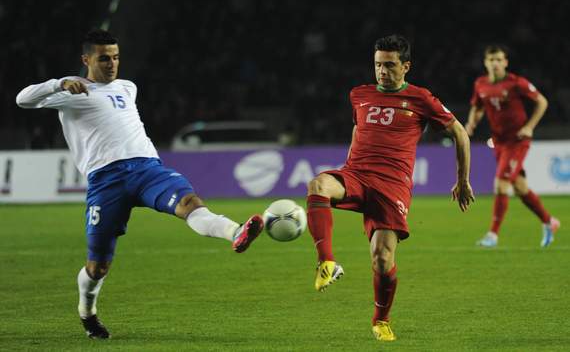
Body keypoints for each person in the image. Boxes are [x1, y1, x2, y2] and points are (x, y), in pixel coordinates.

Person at [15, 29, 264, 339]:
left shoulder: (127, 87)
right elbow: (22, 99)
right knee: (97, 268)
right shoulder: (71, 92)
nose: (112, 64)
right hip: (106, 181)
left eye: (116, 57)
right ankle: (87, 311)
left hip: (147, 168)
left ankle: (236, 232)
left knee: (189, 204)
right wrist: (58, 83)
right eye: (104, 58)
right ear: (86, 59)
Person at [305, 35, 474, 342]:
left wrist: (462, 180)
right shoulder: (359, 94)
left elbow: (460, 132)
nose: (382, 71)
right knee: (318, 185)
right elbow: (358, 128)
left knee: (382, 259)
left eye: (390, 65)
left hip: (391, 186)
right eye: (378, 65)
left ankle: (381, 320)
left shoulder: (421, 98)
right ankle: (327, 261)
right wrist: (349, 163)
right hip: (356, 174)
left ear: (405, 66)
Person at [465, 45, 560, 248]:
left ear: (506, 62)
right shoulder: (480, 84)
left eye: (499, 60)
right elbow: (478, 107)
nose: (496, 63)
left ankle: (492, 235)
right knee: (520, 187)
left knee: (500, 184)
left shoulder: (516, 83)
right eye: (492, 60)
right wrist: (471, 122)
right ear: (486, 62)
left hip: (517, 141)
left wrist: (529, 127)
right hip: (499, 142)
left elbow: (542, 102)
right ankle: (549, 221)